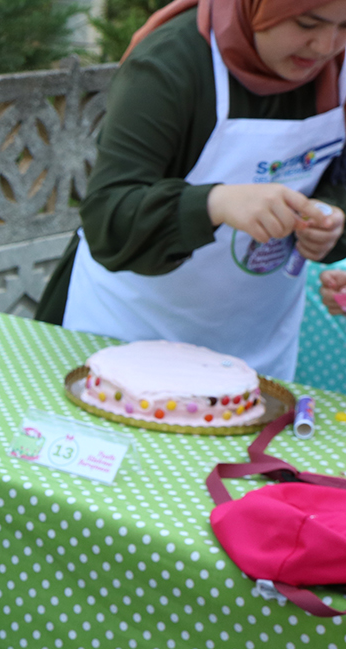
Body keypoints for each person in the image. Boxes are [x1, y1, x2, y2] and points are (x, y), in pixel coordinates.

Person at [34, 0, 346, 380]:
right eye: (307, 23)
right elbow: (108, 215)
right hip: (121, 333)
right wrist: (214, 202)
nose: (326, 45)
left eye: (344, 27)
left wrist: (330, 220)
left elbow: (338, 184)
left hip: (253, 352)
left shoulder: (338, 67)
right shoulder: (172, 63)